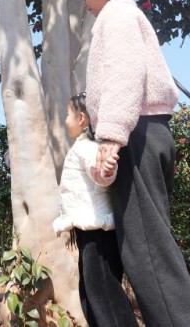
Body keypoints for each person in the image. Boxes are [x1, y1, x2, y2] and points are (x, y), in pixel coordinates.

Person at [79, 0, 190, 327]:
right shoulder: (132, 17)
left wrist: (112, 136)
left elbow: (123, 74)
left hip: (136, 135)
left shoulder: (116, 17)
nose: (86, 2)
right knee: (153, 244)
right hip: (152, 132)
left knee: (146, 251)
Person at [52, 92, 138, 327]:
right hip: (89, 229)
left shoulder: (89, 148)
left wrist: (106, 171)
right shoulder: (82, 147)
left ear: (81, 118)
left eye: (67, 114)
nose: (65, 119)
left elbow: (100, 174)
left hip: (98, 230)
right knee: (91, 292)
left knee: (103, 291)